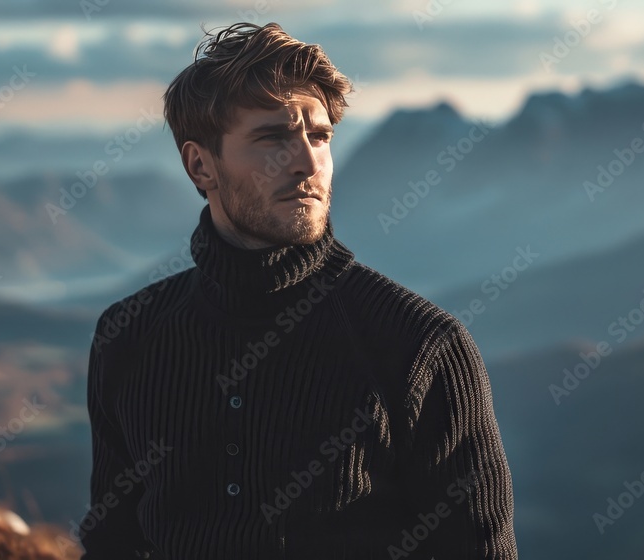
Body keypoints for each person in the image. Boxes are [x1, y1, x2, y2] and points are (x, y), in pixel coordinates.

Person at [79, 21, 517, 559]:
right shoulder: (130, 336)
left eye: (320, 136)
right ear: (200, 165)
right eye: (272, 138)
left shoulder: (419, 346)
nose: (308, 164)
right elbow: (111, 542)